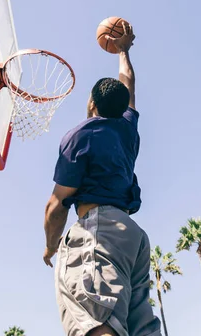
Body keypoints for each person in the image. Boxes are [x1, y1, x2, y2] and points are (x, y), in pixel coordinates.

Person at [43, 23, 161, 336]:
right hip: (131, 238)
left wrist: (50, 246)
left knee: (97, 324)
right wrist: (123, 51)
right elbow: (129, 85)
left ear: (92, 103)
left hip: (100, 230)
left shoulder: (81, 136)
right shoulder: (127, 129)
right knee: (137, 327)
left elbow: (56, 204)